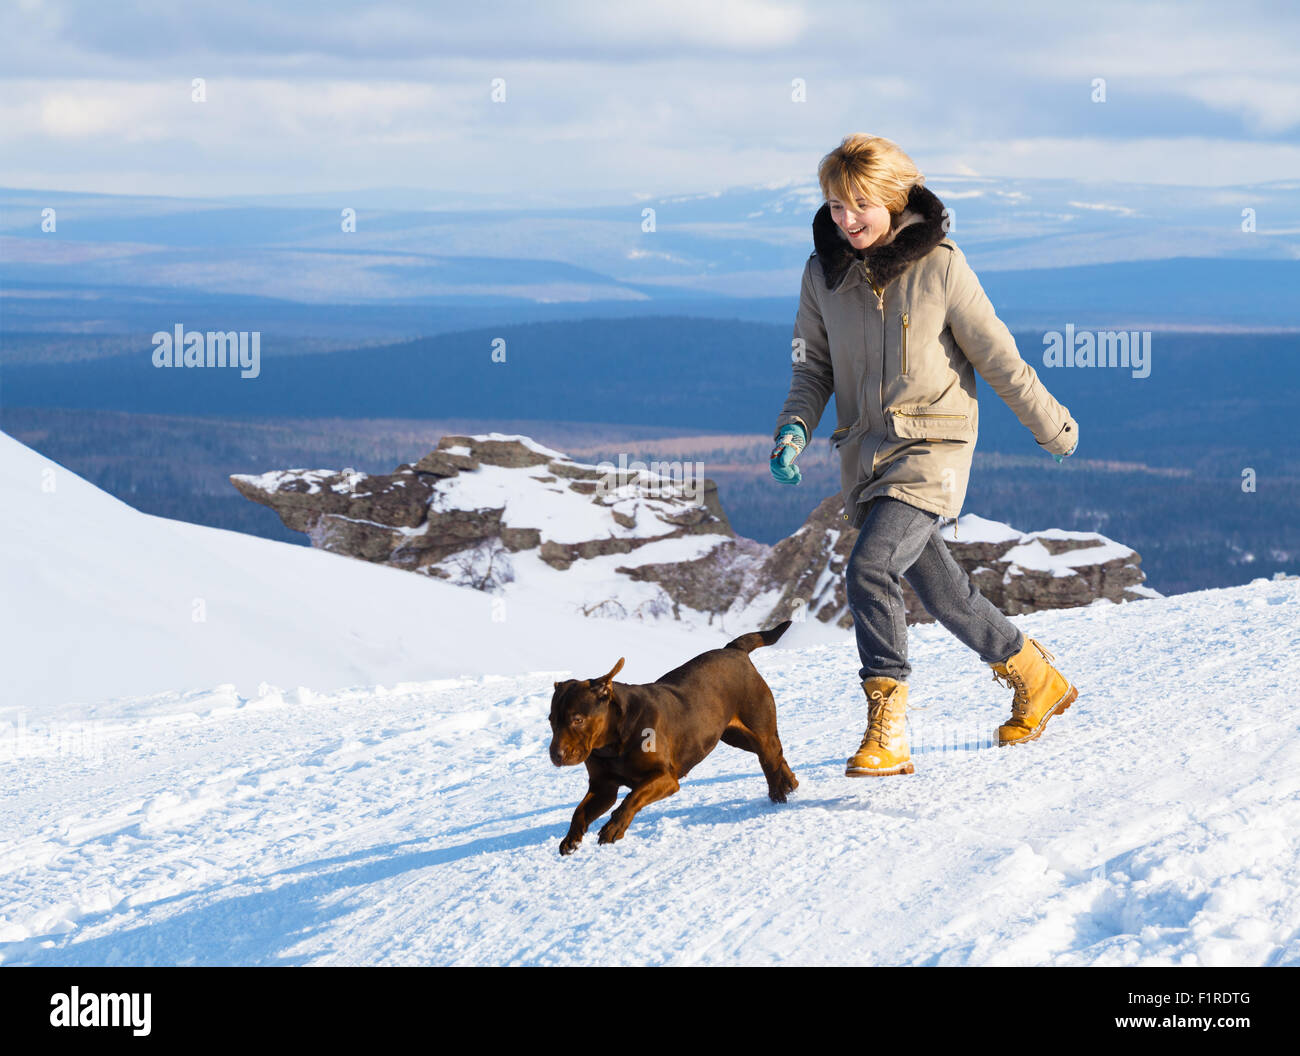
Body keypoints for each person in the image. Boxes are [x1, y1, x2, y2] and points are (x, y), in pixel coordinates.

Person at [769, 134, 1079, 778]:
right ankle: (1034, 675)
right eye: (834, 205)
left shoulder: (941, 265)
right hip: (866, 455)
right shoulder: (822, 273)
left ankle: (888, 728)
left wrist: (1052, 427)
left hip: (933, 447)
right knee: (944, 593)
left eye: (859, 204)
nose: (845, 219)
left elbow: (998, 357)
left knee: (870, 568)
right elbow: (812, 366)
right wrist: (794, 427)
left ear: (894, 198)